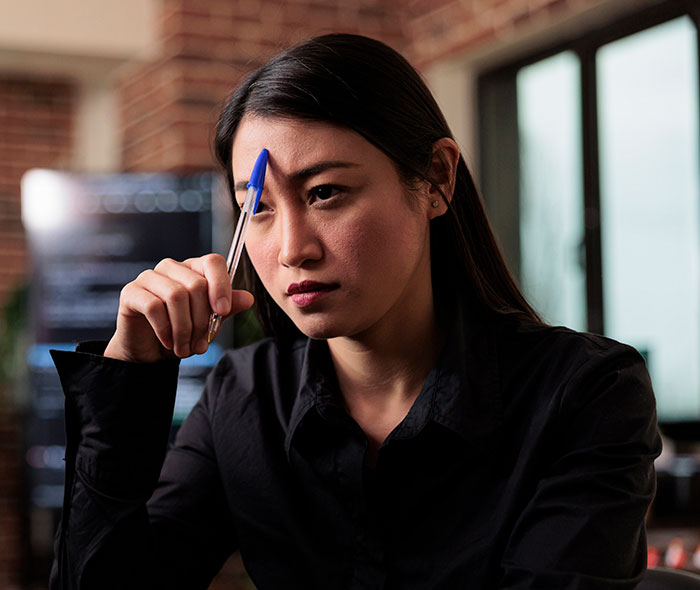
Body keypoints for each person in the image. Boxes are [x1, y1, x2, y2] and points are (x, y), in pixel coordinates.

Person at [49, 33, 661, 589]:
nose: (292, 249)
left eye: (326, 193)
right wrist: (126, 377)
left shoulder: (584, 394)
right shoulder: (245, 398)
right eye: (256, 206)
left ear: (435, 180)